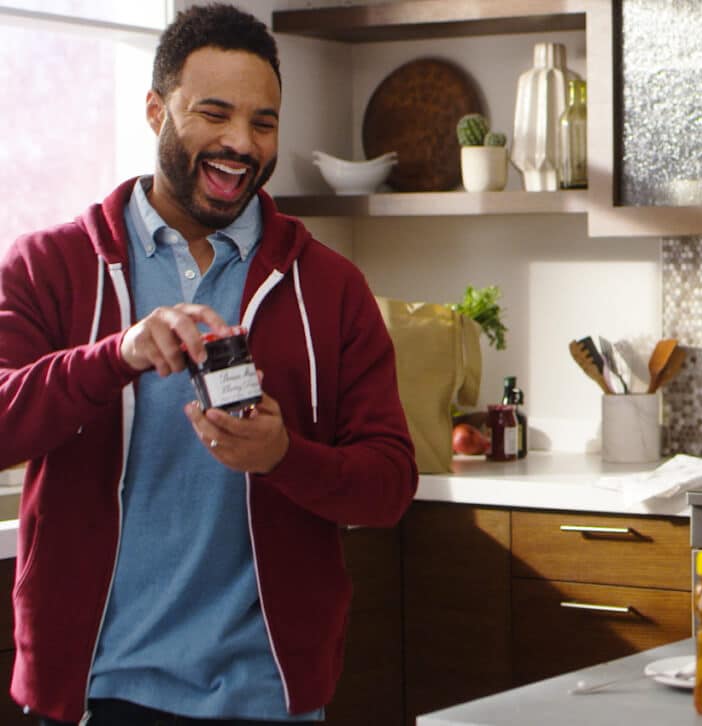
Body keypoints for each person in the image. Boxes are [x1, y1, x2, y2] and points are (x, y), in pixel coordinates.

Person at [0, 4, 417, 722]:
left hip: (270, 695)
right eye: (214, 114)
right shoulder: (50, 266)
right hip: (99, 689)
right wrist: (115, 357)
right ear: (156, 110)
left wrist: (283, 456)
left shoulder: (331, 287)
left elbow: (388, 487)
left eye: (263, 122)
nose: (240, 143)